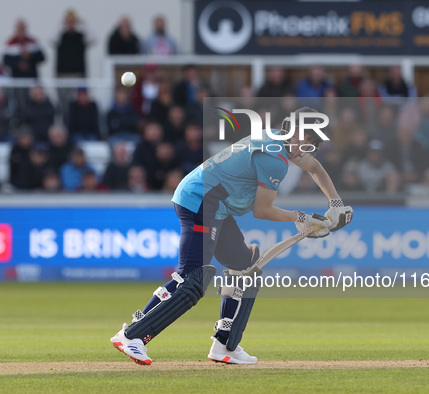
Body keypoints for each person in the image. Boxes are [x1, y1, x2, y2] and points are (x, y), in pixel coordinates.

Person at [110, 107, 353, 365]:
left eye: (313, 141)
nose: (308, 145)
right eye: (307, 136)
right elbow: (262, 210)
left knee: (245, 269)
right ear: (293, 129)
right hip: (201, 199)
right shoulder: (275, 159)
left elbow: (314, 167)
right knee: (192, 279)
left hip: (216, 205)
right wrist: (301, 218)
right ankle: (132, 335)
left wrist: (335, 203)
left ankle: (224, 345)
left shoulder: (280, 140)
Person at [52, 9, 96, 78]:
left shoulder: (81, 36)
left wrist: (84, 25)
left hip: (79, 74)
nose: (71, 23)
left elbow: (94, 39)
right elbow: (52, 40)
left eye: (73, 21)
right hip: (62, 75)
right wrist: (60, 25)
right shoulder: (60, 36)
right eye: (68, 21)